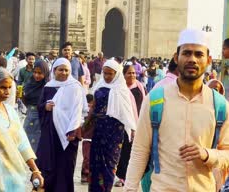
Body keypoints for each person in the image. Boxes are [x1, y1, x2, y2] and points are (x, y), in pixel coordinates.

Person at [124, 29, 229, 191]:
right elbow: (140, 151)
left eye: (198, 55)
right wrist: (129, 189)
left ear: (208, 60)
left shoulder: (219, 105)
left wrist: (207, 154)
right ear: (176, 57)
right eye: (186, 53)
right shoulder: (155, 100)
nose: (192, 59)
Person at [36, 58, 85, 192]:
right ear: (54, 70)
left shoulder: (74, 87)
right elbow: (40, 107)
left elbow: (78, 110)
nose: (63, 73)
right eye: (60, 70)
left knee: (65, 167)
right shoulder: (48, 87)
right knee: (49, 165)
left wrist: (72, 130)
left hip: (69, 134)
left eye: (66, 70)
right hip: (50, 133)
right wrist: (45, 107)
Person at [89, 60, 137, 192]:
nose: (107, 77)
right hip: (99, 130)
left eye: (110, 74)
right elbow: (93, 107)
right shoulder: (99, 86)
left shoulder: (122, 90)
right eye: (105, 73)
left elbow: (127, 112)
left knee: (109, 164)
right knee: (96, 162)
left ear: (117, 74)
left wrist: (132, 129)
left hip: (114, 132)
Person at [114, 64, 146, 187]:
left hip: (138, 124)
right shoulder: (119, 89)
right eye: (129, 73)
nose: (132, 75)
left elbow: (144, 104)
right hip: (123, 125)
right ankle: (122, 176)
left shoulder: (140, 87)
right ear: (123, 75)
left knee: (135, 152)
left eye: (133, 73)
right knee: (124, 151)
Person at [22, 60, 50, 151]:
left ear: (45, 73)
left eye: (40, 73)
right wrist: (22, 96)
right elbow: (26, 102)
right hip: (30, 116)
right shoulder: (29, 84)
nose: (36, 75)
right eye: (35, 72)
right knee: (27, 140)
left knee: (39, 142)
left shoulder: (48, 87)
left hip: (42, 118)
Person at [81, 94, 95, 183]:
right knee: (87, 157)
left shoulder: (95, 111)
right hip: (87, 138)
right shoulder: (85, 112)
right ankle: (84, 174)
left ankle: (89, 175)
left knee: (91, 157)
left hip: (93, 138)